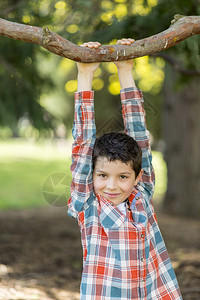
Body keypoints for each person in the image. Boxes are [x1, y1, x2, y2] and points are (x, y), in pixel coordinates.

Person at [67, 38, 182, 299]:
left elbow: (139, 133)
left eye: (123, 177)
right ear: (91, 175)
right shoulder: (88, 205)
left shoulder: (141, 196)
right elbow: (83, 144)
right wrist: (85, 74)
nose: (111, 185)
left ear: (137, 177)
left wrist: (125, 69)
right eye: (103, 175)